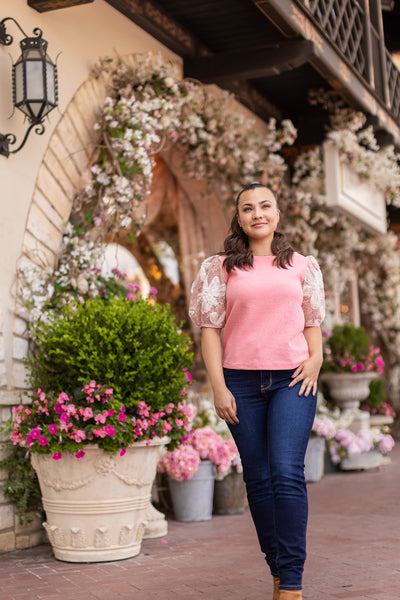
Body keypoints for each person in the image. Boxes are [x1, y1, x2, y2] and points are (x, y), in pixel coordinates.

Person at [189, 183, 325, 600]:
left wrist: (316, 357)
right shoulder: (220, 267)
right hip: (242, 385)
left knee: (286, 473)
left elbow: (311, 321)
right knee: (259, 481)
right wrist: (219, 387)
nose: (257, 214)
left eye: (265, 206)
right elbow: (210, 331)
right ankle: (280, 570)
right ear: (239, 218)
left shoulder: (302, 266)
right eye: (248, 208)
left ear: (277, 214)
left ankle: (293, 586)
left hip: (292, 379)